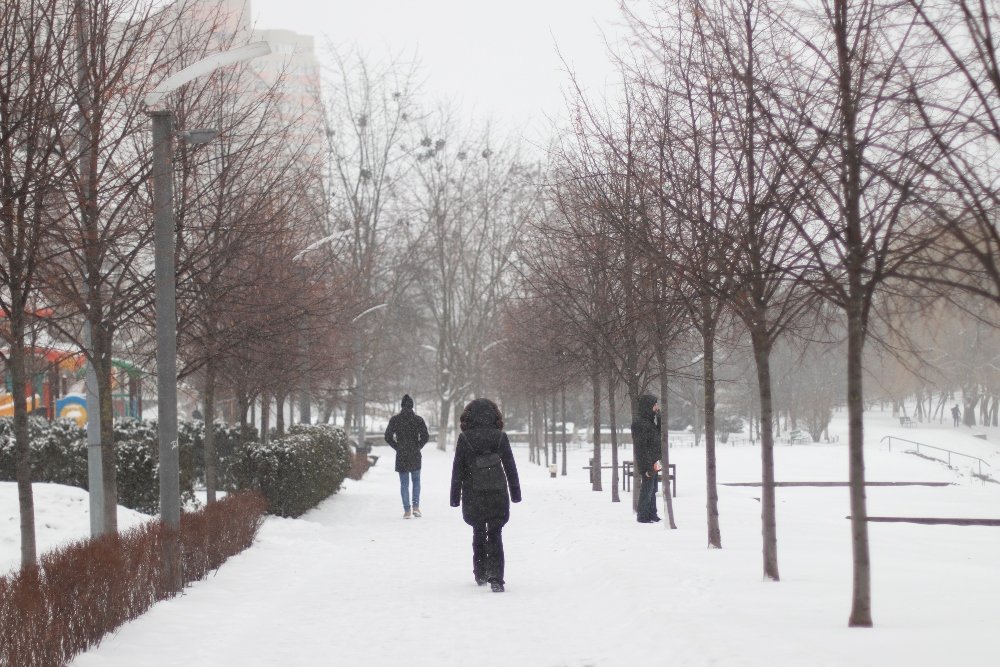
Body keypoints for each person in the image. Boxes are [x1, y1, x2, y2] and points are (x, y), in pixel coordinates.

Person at [449, 398, 521, 592]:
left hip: (474, 493)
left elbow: (458, 468)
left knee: (478, 531)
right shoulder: (499, 437)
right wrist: (515, 492)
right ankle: (496, 576)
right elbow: (510, 466)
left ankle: (480, 571)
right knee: (496, 533)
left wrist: (455, 496)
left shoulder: (465, 439)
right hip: (497, 492)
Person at [384, 394, 430, 519]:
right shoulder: (418, 420)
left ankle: (407, 511)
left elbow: (387, 436)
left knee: (404, 483)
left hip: (402, 455)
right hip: (415, 454)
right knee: (416, 481)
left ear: (402, 406)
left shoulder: (395, 420)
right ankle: (416, 507)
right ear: (412, 406)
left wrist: (397, 447)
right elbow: (425, 436)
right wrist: (418, 446)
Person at [630, 393, 662, 524]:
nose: (657, 407)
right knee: (647, 490)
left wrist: (659, 419)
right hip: (647, 462)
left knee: (653, 490)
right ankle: (642, 516)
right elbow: (641, 447)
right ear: (648, 406)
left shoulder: (649, 422)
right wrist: (647, 466)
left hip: (654, 461)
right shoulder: (639, 423)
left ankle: (652, 514)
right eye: (655, 405)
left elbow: (657, 437)